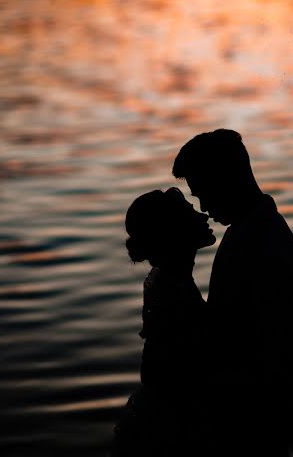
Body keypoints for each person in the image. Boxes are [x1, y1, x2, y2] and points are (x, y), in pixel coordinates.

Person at [173, 129, 293, 455]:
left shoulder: (259, 240)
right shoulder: (253, 230)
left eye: (203, 192)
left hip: (253, 418)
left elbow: (244, 340)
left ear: (226, 179)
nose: (202, 205)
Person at [112, 187, 216, 457]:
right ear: (174, 232)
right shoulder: (171, 288)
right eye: (189, 212)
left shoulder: (169, 279)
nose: (202, 214)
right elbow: (160, 370)